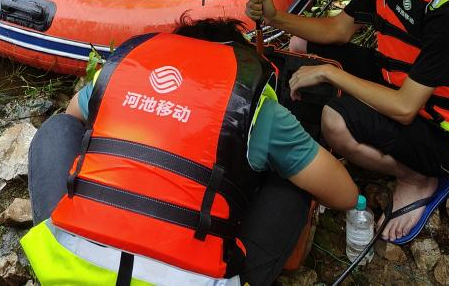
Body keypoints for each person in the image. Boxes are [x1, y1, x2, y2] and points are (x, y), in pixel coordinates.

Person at [21, 18, 359, 286]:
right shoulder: (253, 106)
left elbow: (72, 119)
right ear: (242, 62)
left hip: (71, 267)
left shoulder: (123, 73)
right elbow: (344, 194)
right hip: (194, 278)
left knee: (58, 128)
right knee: (292, 184)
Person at [246, 0, 449, 245]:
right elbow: (338, 31)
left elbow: (405, 108)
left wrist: (330, 74)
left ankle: (418, 178)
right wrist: (276, 18)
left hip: (446, 129)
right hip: (404, 80)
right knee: (303, 47)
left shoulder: (448, 9)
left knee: (335, 122)